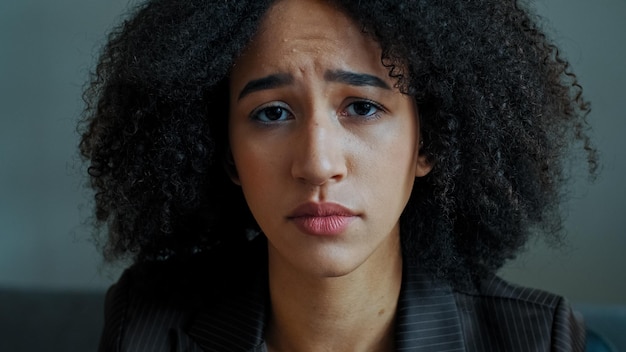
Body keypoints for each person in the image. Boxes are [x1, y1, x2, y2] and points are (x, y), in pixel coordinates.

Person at [79, 0, 597, 351]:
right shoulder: (145, 323)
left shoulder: (536, 338)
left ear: (429, 142)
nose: (319, 164)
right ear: (226, 154)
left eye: (363, 108)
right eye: (272, 113)